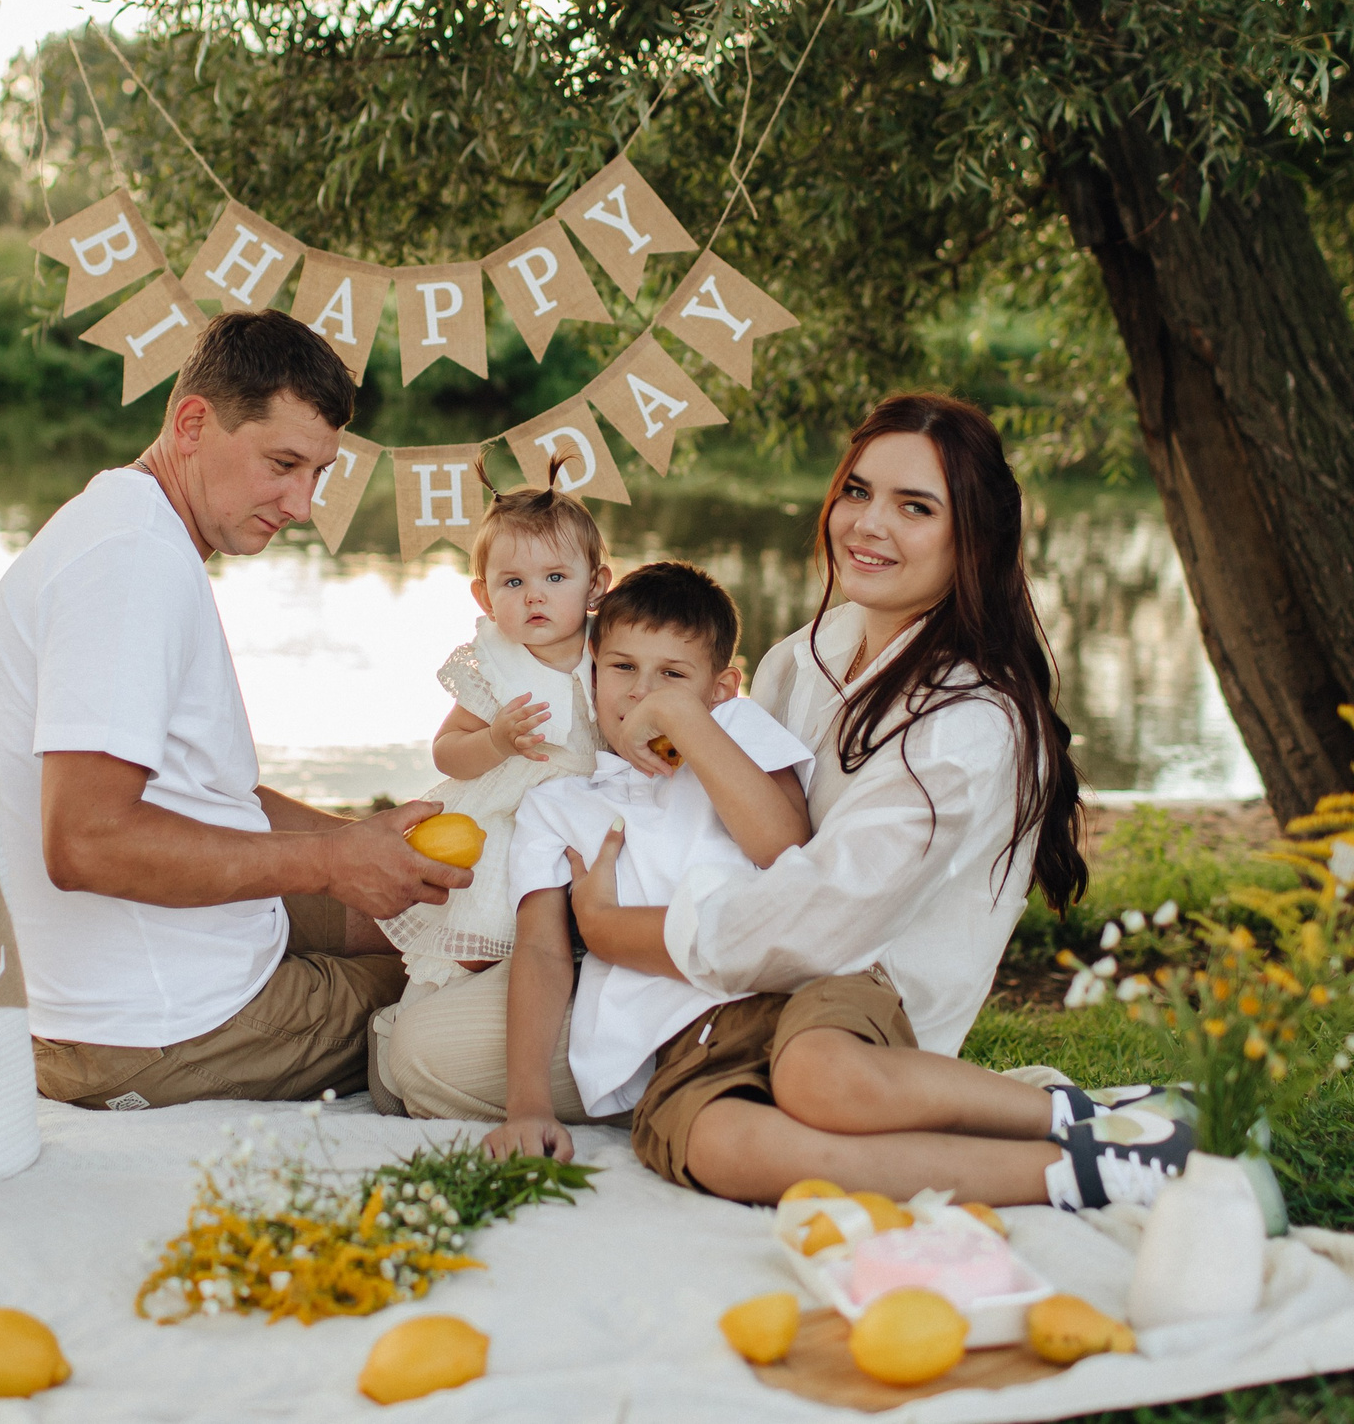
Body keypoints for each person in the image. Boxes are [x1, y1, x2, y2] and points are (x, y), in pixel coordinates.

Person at [564, 393, 1195, 1212]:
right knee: (714, 1142)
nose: (867, 523)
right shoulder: (813, 651)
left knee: (816, 1078)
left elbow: (825, 915)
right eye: (857, 491)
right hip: (739, 996)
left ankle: (1091, 1138)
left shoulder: (967, 723)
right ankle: (1085, 1159)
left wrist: (615, 930)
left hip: (866, 1006)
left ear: (973, 539)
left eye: (915, 506)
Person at [0, 310, 463, 1112]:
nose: (301, 503)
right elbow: (85, 842)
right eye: (283, 463)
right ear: (193, 422)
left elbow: (208, 795)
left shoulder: (123, 521)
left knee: (456, 901)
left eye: (318, 473)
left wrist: (354, 840)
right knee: (465, 975)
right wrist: (333, 866)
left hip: (132, 969)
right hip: (149, 1025)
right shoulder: (133, 564)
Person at [485, 562, 814, 1163]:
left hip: (786, 996)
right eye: (622, 667)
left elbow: (785, 847)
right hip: (675, 1036)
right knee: (736, 1146)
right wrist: (527, 1106)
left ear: (720, 689)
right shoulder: (557, 805)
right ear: (591, 670)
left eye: (672, 675)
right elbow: (540, 950)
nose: (642, 692)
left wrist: (690, 726)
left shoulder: (735, 731)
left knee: (835, 1091)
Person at [381, 475, 614, 998]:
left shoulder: (613, 652)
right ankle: (427, 1005)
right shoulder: (495, 665)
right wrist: (496, 743)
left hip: (587, 812)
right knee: (482, 922)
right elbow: (446, 751)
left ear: (595, 584)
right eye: (513, 583)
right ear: (484, 595)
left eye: (555, 577)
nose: (535, 595)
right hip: (505, 819)